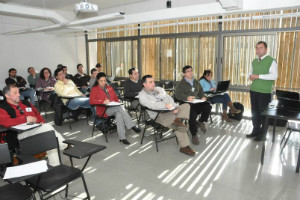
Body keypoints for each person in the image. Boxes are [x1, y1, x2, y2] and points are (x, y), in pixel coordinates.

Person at [0, 85, 67, 166]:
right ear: (7, 96)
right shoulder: (2, 107)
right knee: (47, 129)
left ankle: (55, 165)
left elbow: (37, 114)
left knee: (49, 135)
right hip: (19, 135)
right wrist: (25, 119)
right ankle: (63, 145)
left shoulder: (26, 103)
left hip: (35, 129)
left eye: (18, 92)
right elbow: (5, 122)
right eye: (15, 93)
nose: (18, 94)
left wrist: (40, 122)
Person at [139, 75, 195, 156]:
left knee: (186, 106)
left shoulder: (158, 89)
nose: (153, 84)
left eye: (153, 81)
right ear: (144, 84)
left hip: (171, 111)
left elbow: (169, 98)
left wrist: (174, 107)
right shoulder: (142, 96)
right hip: (159, 115)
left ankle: (179, 125)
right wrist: (165, 105)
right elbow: (152, 105)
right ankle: (184, 146)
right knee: (180, 121)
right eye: (150, 82)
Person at [89, 72, 141, 145]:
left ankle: (122, 137)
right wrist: (102, 101)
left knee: (119, 114)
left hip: (114, 108)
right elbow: (91, 101)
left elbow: (116, 99)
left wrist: (118, 101)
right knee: (120, 108)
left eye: (104, 80)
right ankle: (132, 125)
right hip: (103, 110)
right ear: (97, 80)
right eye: (101, 81)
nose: (103, 82)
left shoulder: (109, 88)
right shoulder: (95, 89)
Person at [246, 41, 278, 141]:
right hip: (254, 90)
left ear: (266, 49)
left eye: (261, 48)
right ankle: (255, 131)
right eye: (257, 48)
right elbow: (250, 72)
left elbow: (274, 76)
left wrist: (258, 76)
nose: (258, 50)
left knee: (263, 114)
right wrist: (250, 76)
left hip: (264, 92)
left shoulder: (271, 61)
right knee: (255, 113)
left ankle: (263, 134)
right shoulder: (254, 61)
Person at [175, 65, 212, 145]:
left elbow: (201, 91)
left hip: (196, 102)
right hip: (186, 104)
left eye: (191, 70)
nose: (190, 72)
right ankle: (194, 135)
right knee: (192, 114)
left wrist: (203, 97)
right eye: (188, 71)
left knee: (207, 106)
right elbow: (177, 95)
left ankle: (201, 121)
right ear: (184, 74)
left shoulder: (196, 82)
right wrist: (186, 97)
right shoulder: (181, 84)